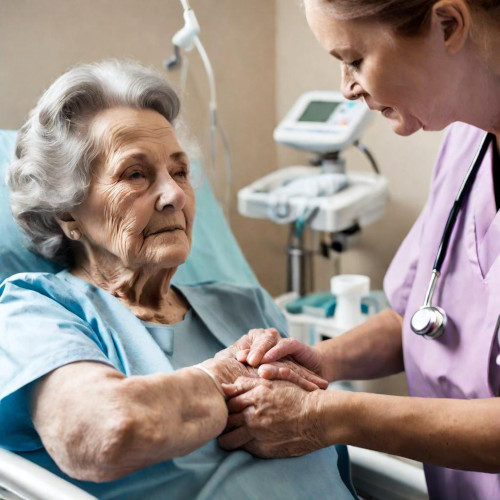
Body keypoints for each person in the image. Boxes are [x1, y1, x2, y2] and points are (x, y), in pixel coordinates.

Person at [0, 60, 355, 500]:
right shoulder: (33, 310)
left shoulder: (248, 307)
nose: (173, 196)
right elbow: (105, 433)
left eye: (180, 172)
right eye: (136, 174)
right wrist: (226, 375)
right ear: (67, 211)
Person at [218, 0, 500, 498]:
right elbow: (419, 316)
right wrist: (321, 363)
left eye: (353, 59)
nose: (346, 89)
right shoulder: (466, 143)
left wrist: (330, 416)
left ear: (447, 24)